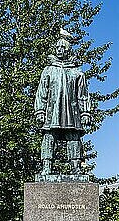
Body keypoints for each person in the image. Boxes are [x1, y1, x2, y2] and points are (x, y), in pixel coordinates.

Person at [34, 35, 91, 175]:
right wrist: (40, 110)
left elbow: (83, 95)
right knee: (49, 137)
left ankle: (76, 166)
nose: (59, 50)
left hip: (71, 112)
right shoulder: (48, 70)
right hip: (52, 111)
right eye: (57, 47)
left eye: (62, 48)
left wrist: (85, 112)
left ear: (68, 50)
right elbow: (42, 91)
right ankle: (46, 166)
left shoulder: (77, 72)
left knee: (73, 137)